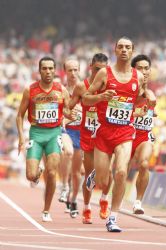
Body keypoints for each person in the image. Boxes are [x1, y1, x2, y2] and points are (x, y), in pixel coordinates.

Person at [83, 37, 155, 232]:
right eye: (121, 47)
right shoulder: (104, 74)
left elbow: (138, 102)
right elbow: (86, 99)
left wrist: (148, 100)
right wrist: (100, 96)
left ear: (132, 51)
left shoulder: (138, 77)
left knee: (122, 172)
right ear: (115, 50)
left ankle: (113, 218)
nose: (124, 50)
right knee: (103, 182)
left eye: (128, 47)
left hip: (125, 132)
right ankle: (95, 177)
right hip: (104, 133)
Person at [16, 57, 74, 222]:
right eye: (44, 69)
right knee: (30, 175)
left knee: (52, 172)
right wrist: (21, 137)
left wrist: (72, 114)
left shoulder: (61, 90)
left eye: (50, 68)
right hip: (36, 133)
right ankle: (37, 173)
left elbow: (68, 111)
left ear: (55, 70)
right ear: (39, 70)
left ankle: (46, 210)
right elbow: (19, 115)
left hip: (54, 134)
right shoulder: (30, 90)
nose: (48, 72)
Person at [69, 53, 112, 224]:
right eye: (96, 69)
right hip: (88, 134)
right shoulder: (82, 86)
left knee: (108, 172)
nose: (99, 72)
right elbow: (69, 106)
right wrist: (68, 112)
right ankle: (86, 208)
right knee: (89, 174)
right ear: (90, 67)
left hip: (106, 133)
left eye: (103, 70)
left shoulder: (111, 85)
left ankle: (103, 199)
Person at [130, 54, 156, 214]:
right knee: (119, 172)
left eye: (146, 68)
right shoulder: (127, 91)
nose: (144, 71)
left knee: (144, 164)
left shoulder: (152, 94)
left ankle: (138, 202)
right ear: (133, 70)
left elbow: (150, 110)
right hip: (125, 135)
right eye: (140, 68)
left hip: (143, 136)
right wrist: (135, 114)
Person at [59, 58, 83, 218]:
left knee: (77, 173)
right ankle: (64, 187)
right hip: (66, 131)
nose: (73, 73)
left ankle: (73, 199)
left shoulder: (86, 88)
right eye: (70, 70)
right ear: (65, 71)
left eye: (75, 70)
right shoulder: (61, 90)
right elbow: (60, 113)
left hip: (82, 132)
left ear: (79, 70)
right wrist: (65, 120)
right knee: (68, 153)